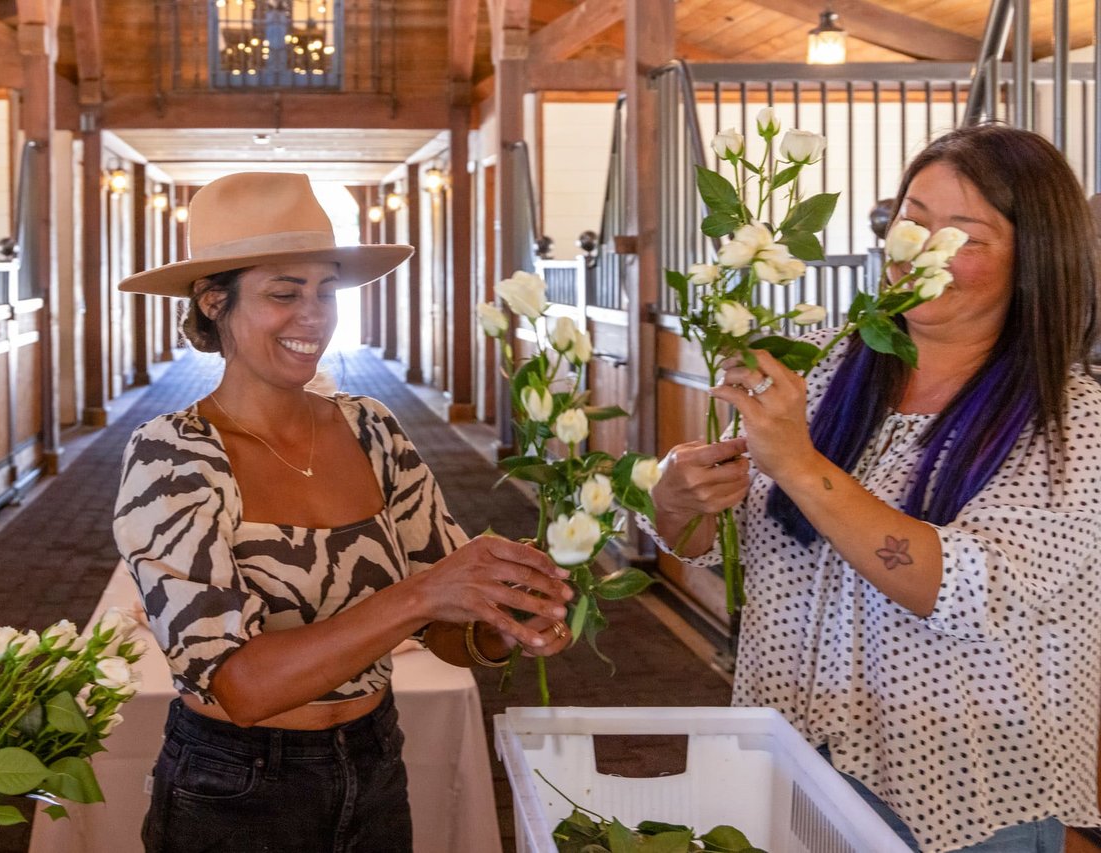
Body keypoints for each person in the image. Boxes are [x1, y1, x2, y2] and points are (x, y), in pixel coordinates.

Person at [648, 124, 1101, 853]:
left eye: (964, 235)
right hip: (786, 761)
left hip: (962, 797)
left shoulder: (1072, 421)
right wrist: (677, 499)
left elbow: (963, 589)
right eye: (912, 221)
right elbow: (723, 547)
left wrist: (799, 463)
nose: (921, 250)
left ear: (1033, 259)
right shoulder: (824, 370)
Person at [112, 172, 574, 853]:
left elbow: (451, 626)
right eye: (284, 293)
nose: (314, 316)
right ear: (214, 302)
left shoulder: (372, 429)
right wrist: (422, 594)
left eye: (326, 292)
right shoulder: (171, 455)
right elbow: (239, 684)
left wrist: (505, 621)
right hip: (233, 784)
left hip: (375, 756)